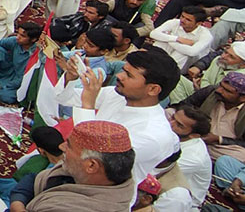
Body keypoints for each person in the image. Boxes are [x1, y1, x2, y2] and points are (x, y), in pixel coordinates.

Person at [54, 49, 180, 188]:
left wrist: (88, 104)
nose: (119, 76)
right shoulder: (117, 96)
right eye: (123, 70)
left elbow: (94, 156)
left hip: (101, 194)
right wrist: (71, 78)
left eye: (129, 75)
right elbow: (64, 98)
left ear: (153, 89)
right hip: (72, 173)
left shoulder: (155, 134)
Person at [14, 120, 136, 212]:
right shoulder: (76, 172)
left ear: (91, 165)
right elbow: (33, 180)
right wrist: (18, 203)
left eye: (69, 146)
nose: (61, 147)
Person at [0, 22, 41, 104]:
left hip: (17, 79)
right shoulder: (15, 41)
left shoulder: (36, 56)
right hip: (7, 70)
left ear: (33, 39)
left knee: (8, 97)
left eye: (22, 36)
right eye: (18, 34)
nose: (18, 37)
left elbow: (23, 79)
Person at [166, 105, 212, 209]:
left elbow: (156, 171)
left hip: (180, 201)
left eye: (179, 125)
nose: (170, 124)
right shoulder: (173, 133)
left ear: (194, 135)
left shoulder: (194, 157)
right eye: (173, 118)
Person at [149, 6, 213, 70]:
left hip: (189, 62)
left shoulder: (206, 35)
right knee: (162, 42)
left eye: (188, 20)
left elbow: (192, 52)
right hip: (170, 52)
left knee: (182, 53)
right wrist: (177, 39)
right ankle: (150, 64)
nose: (182, 20)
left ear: (199, 23)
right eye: (182, 16)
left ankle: (165, 71)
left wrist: (171, 41)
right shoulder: (175, 22)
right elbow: (153, 34)